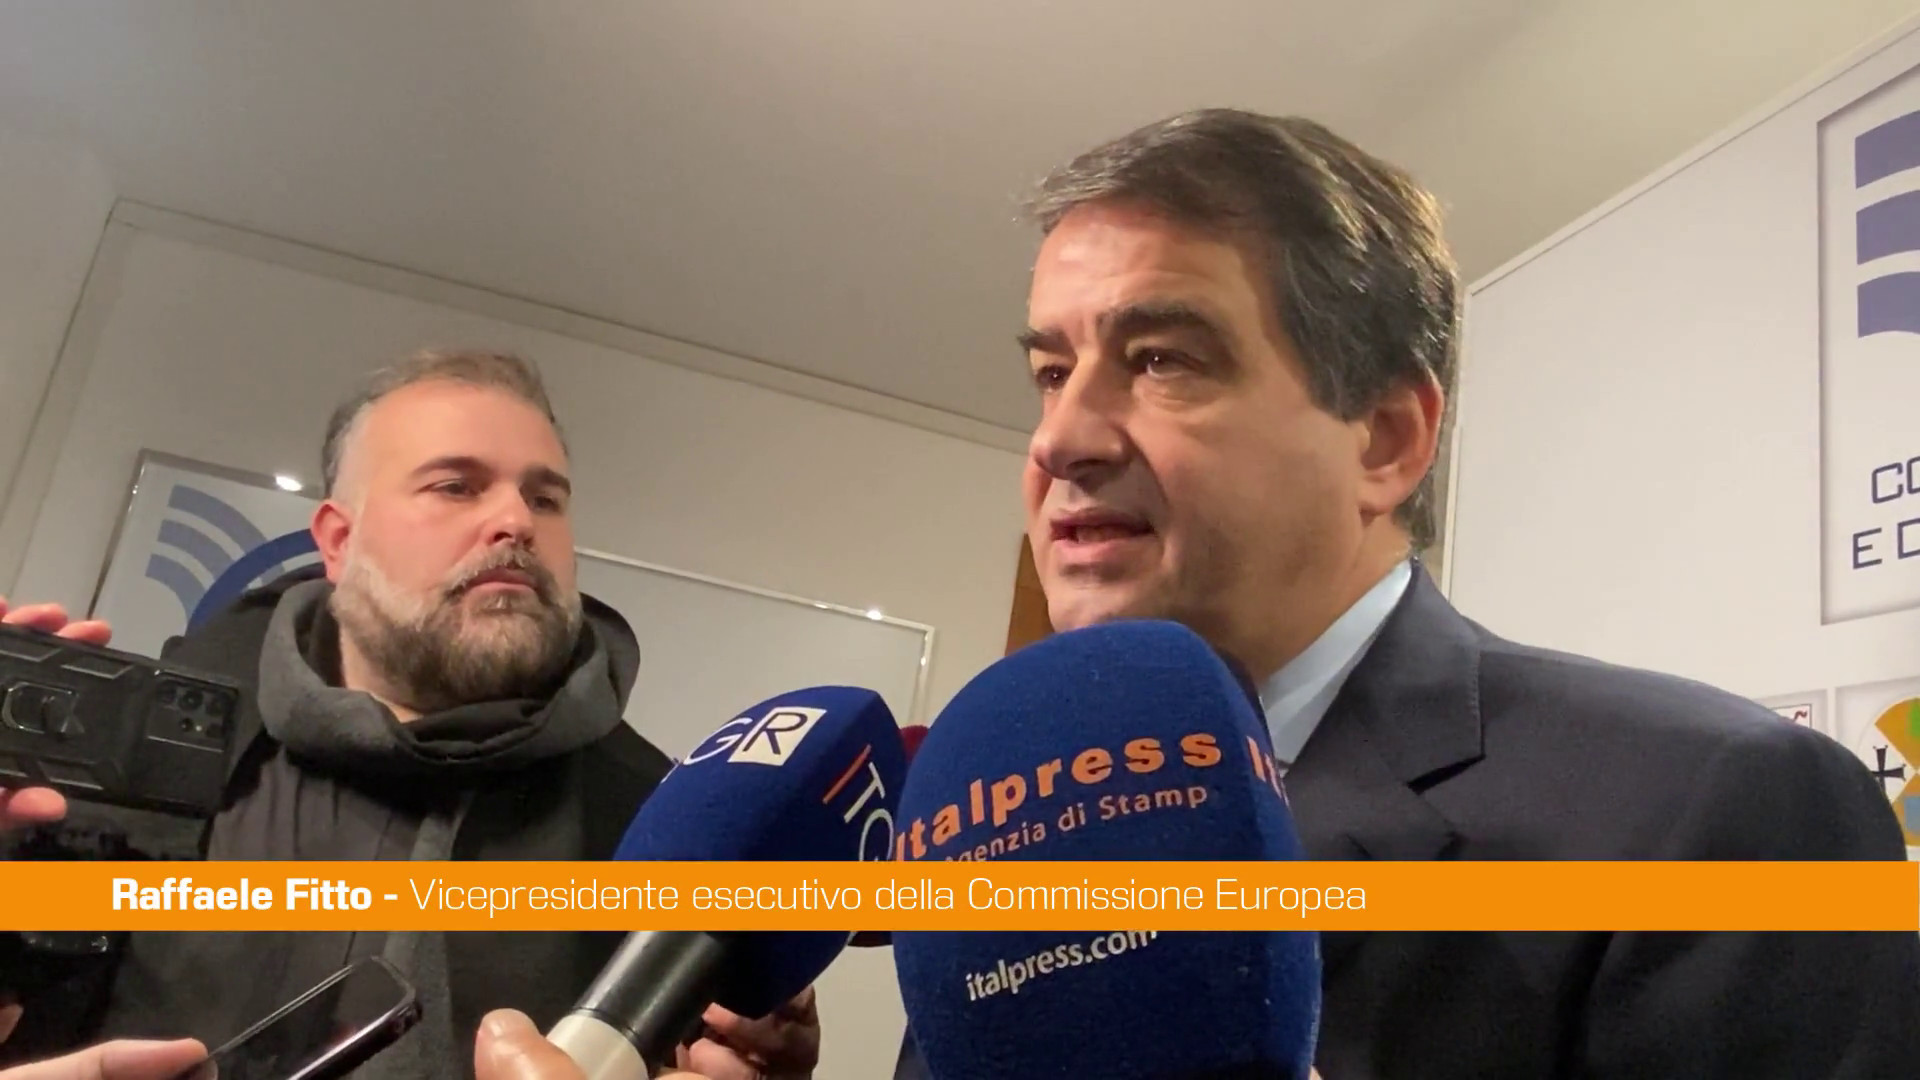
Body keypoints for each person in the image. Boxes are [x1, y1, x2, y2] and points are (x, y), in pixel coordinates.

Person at [898, 109, 1920, 1078]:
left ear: (1385, 441)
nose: (1059, 439)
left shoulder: (1725, 809)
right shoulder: (1023, 815)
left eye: (1162, 361)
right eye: (1051, 372)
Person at [0, 350, 819, 1080]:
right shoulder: (139, 766)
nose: (516, 521)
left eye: (546, 498)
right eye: (455, 485)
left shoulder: (663, 826)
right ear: (337, 541)